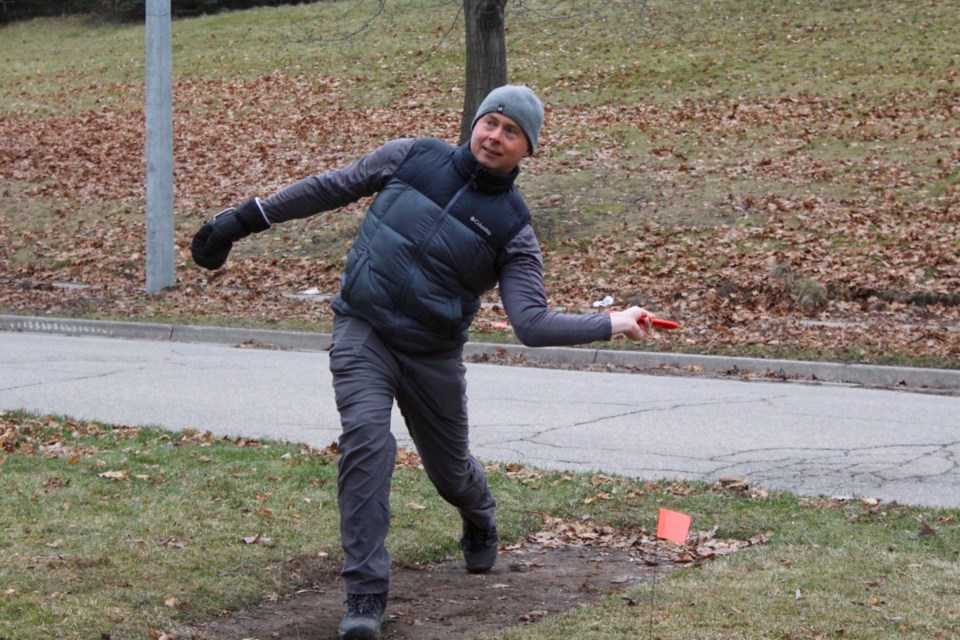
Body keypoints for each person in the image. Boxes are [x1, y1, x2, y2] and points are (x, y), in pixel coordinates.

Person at [191, 85, 657, 640]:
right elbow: (329, 187)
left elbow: (531, 323)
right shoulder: (412, 157)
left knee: (450, 472)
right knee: (366, 437)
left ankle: (479, 514)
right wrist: (241, 220)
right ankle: (365, 593)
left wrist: (613, 321)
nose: (496, 137)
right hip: (363, 329)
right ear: (475, 123)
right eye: (491, 123)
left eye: (513, 133)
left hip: (432, 355)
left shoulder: (513, 229)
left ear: (528, 151)